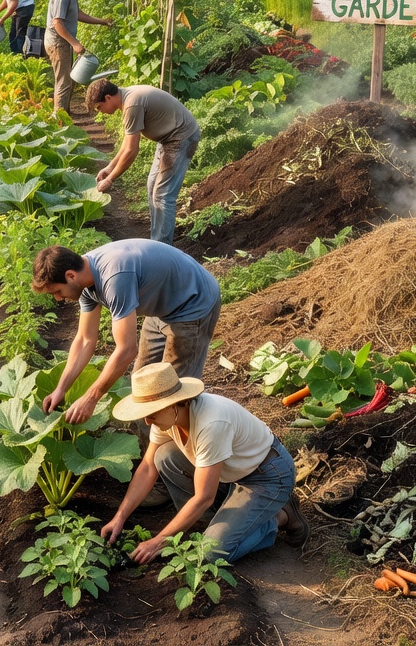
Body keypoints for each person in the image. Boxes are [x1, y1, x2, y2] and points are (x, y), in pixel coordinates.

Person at [99, 362, 309, 563]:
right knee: (164, 456)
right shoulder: (164, 417)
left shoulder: (211, 423)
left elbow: (203, 497)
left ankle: (279, 516)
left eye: (151, 414)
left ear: (174, 404)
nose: (147, 421)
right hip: (231, 472)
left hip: (266, 477)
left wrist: (159, 541)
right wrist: (120, 517)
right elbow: (147, 468)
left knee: (210, 553)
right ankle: (217, 524)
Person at [32, 239, 222, 425]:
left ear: (70, 275)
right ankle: (151, 446)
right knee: (142, 385)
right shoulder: (85, 282)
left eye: (56, 291)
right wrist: (61, 389)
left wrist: (91, 397)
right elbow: (84, 340)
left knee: (171, 394)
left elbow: (127, 350)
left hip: (192, 303)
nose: (57, 298)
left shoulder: (114, 277)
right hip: (161, 307)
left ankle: (184, 449)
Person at [87, 79, 202, 244]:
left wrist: (110, 179)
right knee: (152, 186)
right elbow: (127, 145)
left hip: (181, 137)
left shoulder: (131, 104)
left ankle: (162, 247)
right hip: (167, 139)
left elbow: (132, 151)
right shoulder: (128, 99)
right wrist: (109, 167)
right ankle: (158, 239)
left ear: (107, 98)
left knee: (163, 194)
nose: (100, 112)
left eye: (99, 107)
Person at [45, 0, 112, 113]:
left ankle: (65, 113)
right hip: (57, 43)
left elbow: (77, 14)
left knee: (68, 80)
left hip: (62, 42)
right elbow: (57, 23)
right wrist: (75, 44)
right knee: (63, 81)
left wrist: (102, 21)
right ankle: (60, 120)